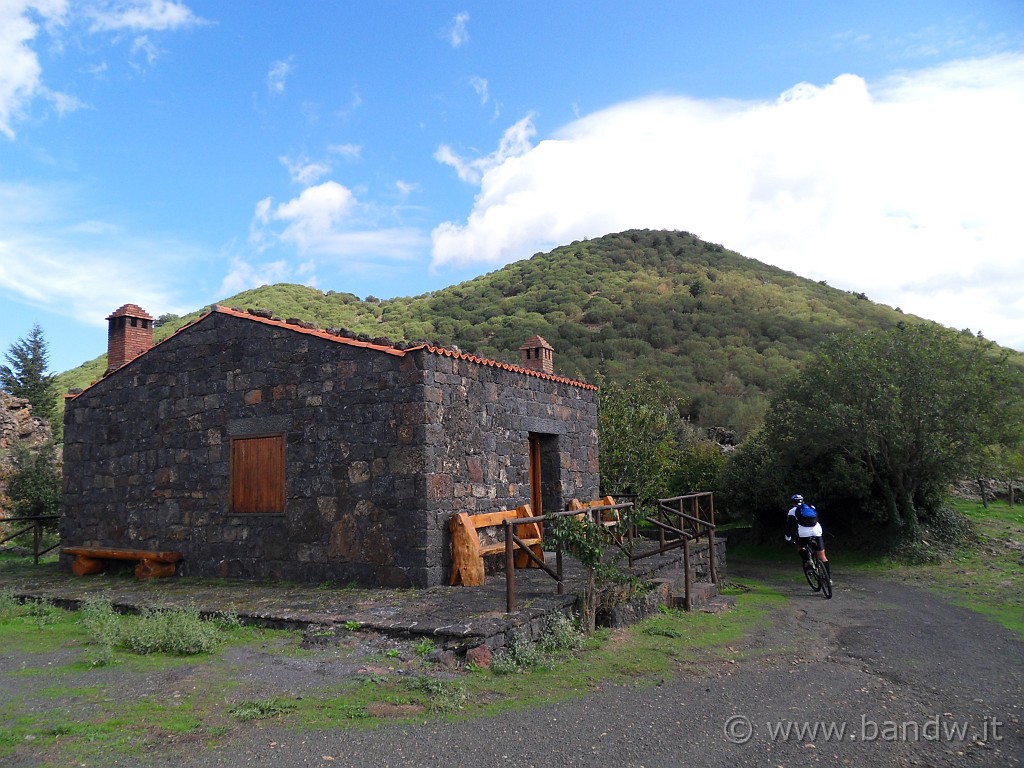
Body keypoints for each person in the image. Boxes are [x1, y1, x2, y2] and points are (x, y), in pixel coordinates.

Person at [785, 494, 831, 584]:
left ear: (793, 503)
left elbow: (788, 526)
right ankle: (828, 579)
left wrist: (788, 538)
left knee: (800, 547)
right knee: (822, 556)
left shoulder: (792, 511)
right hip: (817, 532)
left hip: (803, 534)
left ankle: (808, 560)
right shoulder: (811, 507)